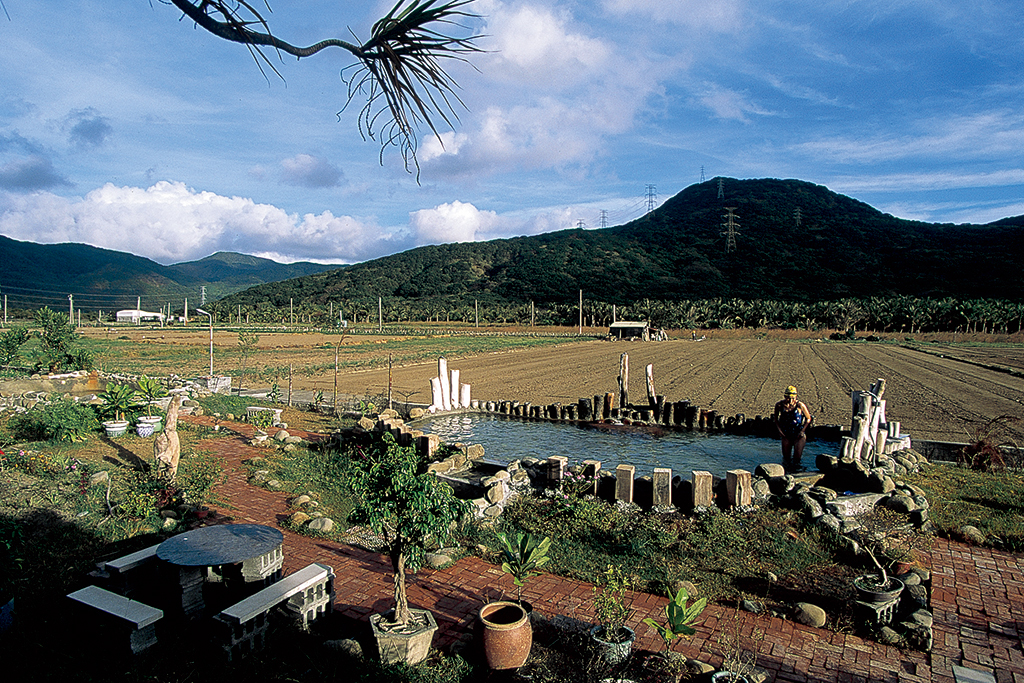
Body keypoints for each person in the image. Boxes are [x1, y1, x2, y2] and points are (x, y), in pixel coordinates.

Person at [773, 385, 812, 469]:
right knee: (786, 459)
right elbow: (776, 419)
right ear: (785, 396)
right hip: (786, 434)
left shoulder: (800, 405)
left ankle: (797, 472)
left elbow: (808, 419)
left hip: (798, 435)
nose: (791, 400)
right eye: (788, 398)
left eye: (793, 398)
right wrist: (779, 430)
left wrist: (802, 430)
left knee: (797, 459)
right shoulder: (779, 405)